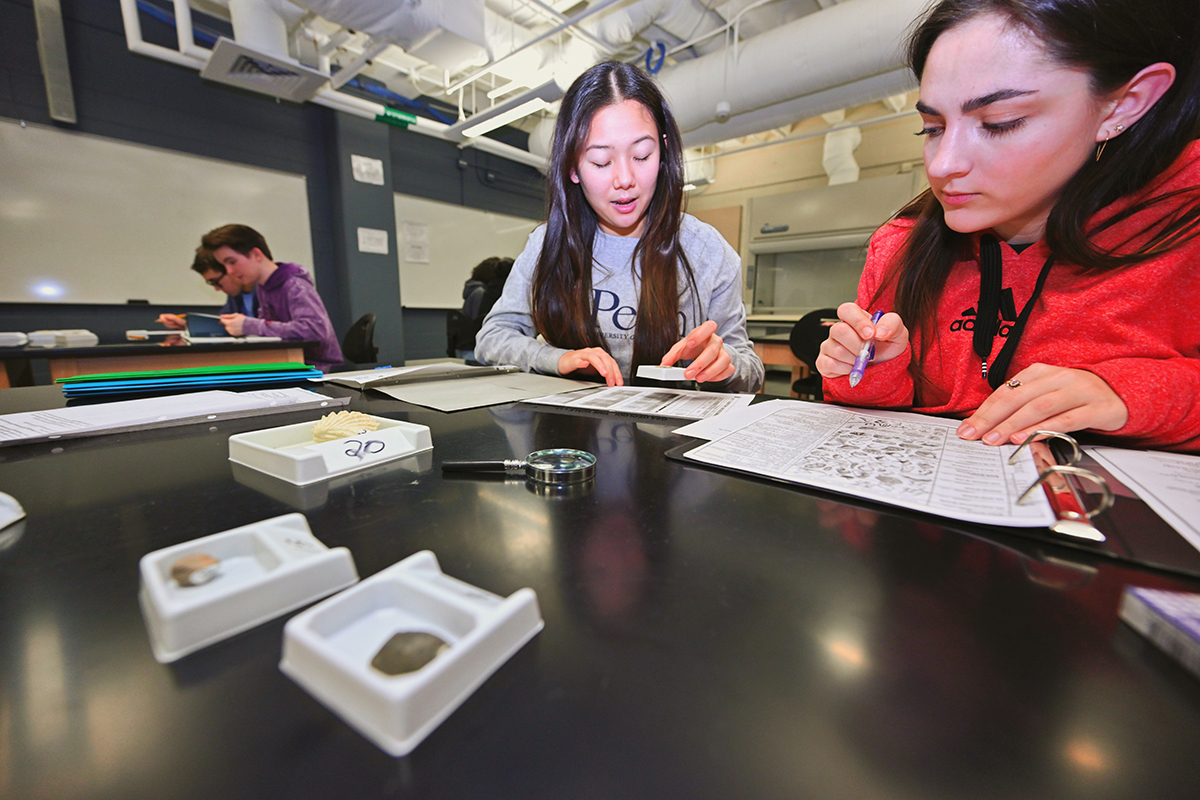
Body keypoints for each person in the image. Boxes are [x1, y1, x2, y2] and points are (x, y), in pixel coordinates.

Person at [818, 0, 1200, 451]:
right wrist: (874, 370)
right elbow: (870, 414)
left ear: (1123, 105)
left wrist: (1133, 392)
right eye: (932, 127)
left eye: (1000, 123)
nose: (943, 165)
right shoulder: (901, 244)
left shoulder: (1183, 214)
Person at [475, 61, 763, 393]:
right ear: (573, 167)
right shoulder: (547, 245)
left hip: (671, 438)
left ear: (664, 152)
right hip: (570, 436)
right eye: (601, 161)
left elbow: (752, 371)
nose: (625, 180)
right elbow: (493, 338)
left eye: (642, 156)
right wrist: (554, 358)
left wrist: (724, 363)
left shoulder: (708, 251)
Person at [200, 224, 344, 372]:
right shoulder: (264, 286)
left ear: (256, 254)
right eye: (224, 265)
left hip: (316, 369)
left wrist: (249, 325)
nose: (229, 271)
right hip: (288, 363)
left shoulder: (294, 285)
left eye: (232, 262)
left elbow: (316, 332)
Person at [156, 248, 257, 331]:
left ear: (230, 269)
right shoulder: (235, 295)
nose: (217, 289)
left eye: (216, 281)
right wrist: (186, 325)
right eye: (211, 283)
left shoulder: (264, 290)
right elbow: (223, 325)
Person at [455, 256, 513, 362]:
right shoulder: (480, 293)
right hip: (473, 346)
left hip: (467, 345)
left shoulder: (473, 290)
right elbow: (479, 322)